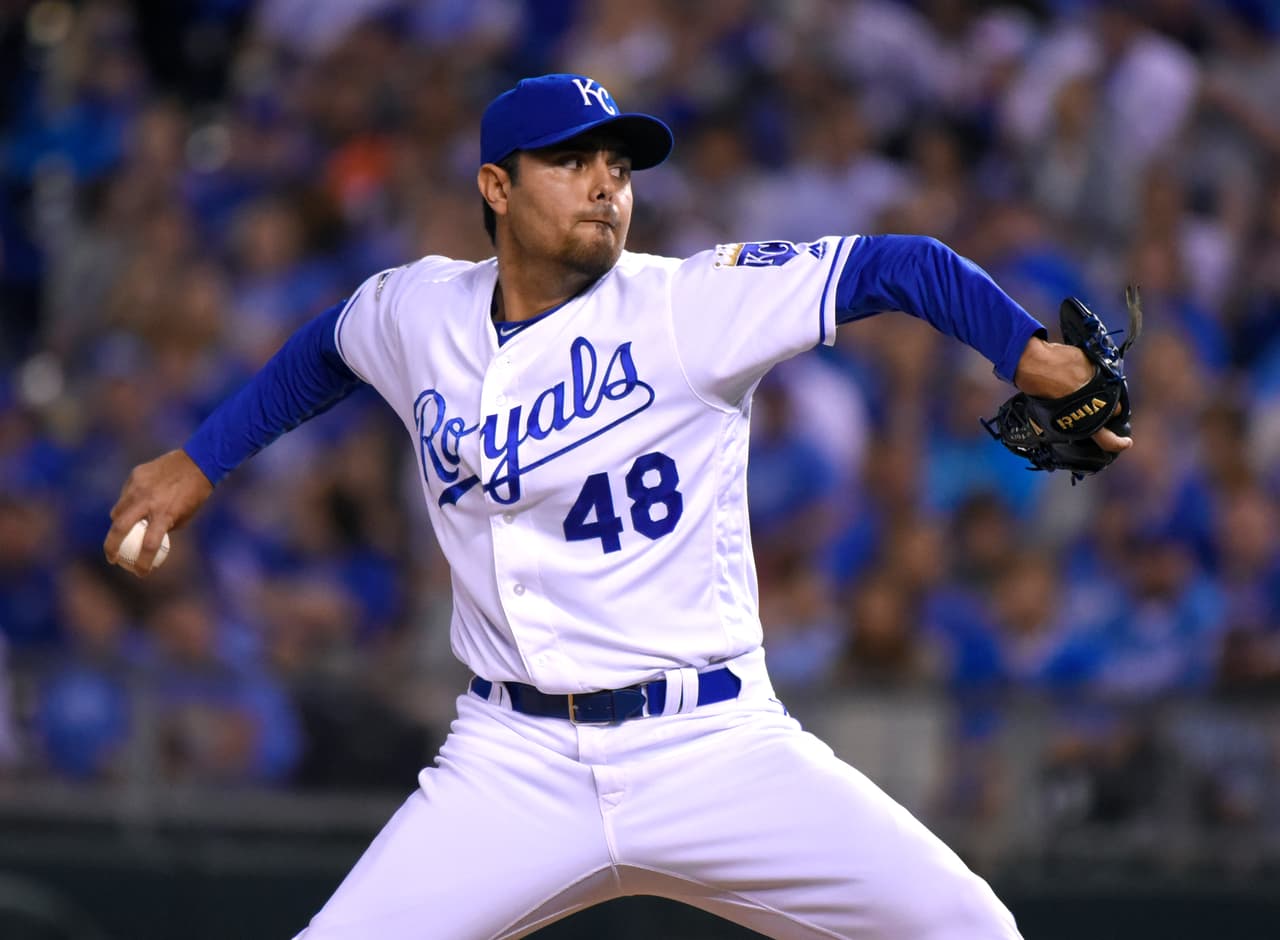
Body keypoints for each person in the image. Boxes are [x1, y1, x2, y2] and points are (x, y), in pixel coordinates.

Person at [105, 73, 1131, 939]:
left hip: (711, 744)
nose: (606, 183)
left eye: (620, 165)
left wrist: (1023, 349)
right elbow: (328, 345)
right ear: (496, 186)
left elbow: (894, 265)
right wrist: (200, 461)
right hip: (512, 761)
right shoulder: (420, 310)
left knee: (970, 928)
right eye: (572, 161)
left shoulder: (686, 304)